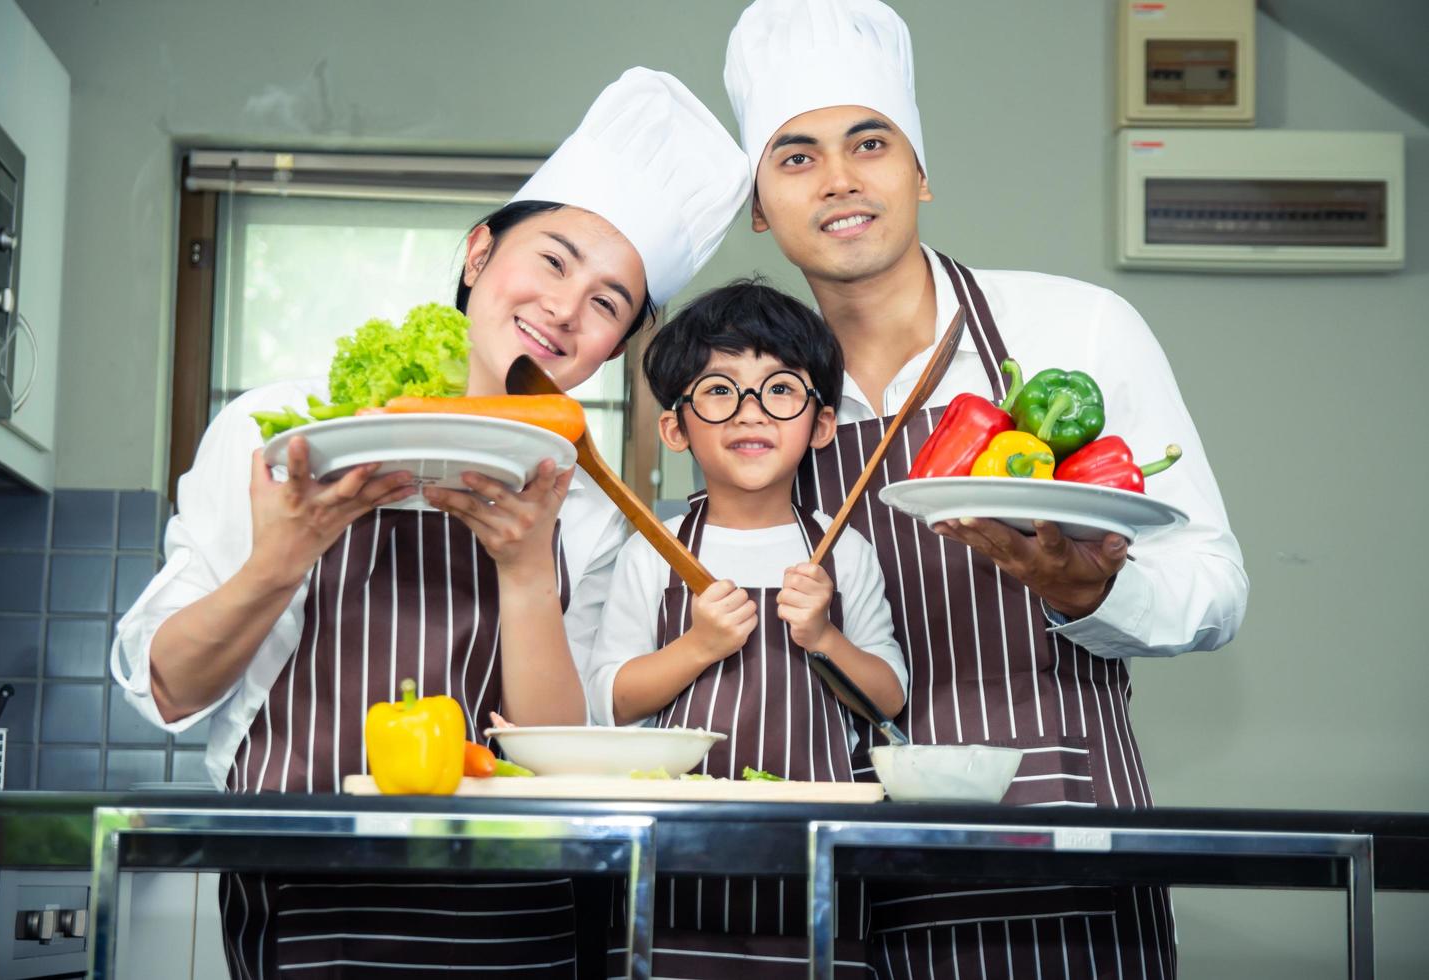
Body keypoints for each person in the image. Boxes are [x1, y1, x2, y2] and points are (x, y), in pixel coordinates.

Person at [110, 67, 750, 979]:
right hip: (307, 895)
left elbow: (556, 752)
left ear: (618, 342)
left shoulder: (583, 500)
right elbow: (167, 687)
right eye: (553, 260)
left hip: (518, 913)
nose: (566, 311)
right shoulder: (291, 427)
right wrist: (281, 557)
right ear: (478, 253)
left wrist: (528, 571)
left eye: (609, 302)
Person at [722, 1, 1250, 976]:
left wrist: (1091, 589)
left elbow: (1217, 585)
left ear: (920, 168)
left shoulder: (1073, 330)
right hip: (842, 870)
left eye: (868, 143)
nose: (838, 179)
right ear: (759, 203)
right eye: (795, 157)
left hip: (1061, 848)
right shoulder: (757, 395)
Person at [586, 279, 906, 977]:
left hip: (820, 864)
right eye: (719, 391)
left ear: (821, 423)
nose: (750, 413)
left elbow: (887, 699)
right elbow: (607, 699)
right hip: (672, 858)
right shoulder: (655, 549)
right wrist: (697, 647)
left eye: (781, 390)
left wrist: (825, 637)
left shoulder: (844, 550)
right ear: (676, 426)